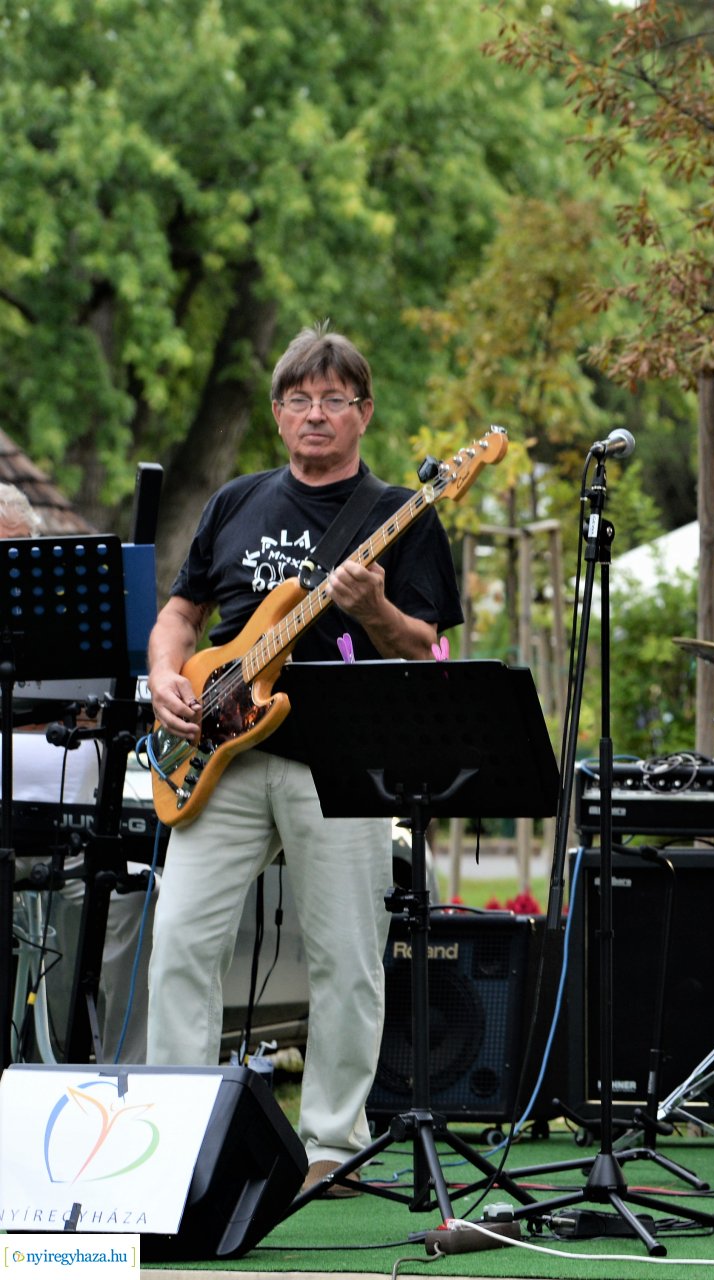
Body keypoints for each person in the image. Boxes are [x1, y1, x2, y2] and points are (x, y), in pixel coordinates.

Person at [144, 325, 463, 1197]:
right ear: (279, 413)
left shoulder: (403, 514)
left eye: (333, 400)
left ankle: (332, 1142)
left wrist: (379, 609)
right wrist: (166, 676)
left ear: (363, 414)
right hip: (222, 754)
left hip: (342, 755)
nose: (314, 414)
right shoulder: (238, 499)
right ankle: (174, 1124)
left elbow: (424, 648)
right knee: (179, 941)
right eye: (298, 399)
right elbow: (181, 612)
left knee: (346, 956)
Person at [1, 484, 154, 1064]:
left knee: (139, 897)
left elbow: (110, 709)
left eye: (14, 558)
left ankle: (120, 1081)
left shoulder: (75, 624)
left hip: (75, 842)